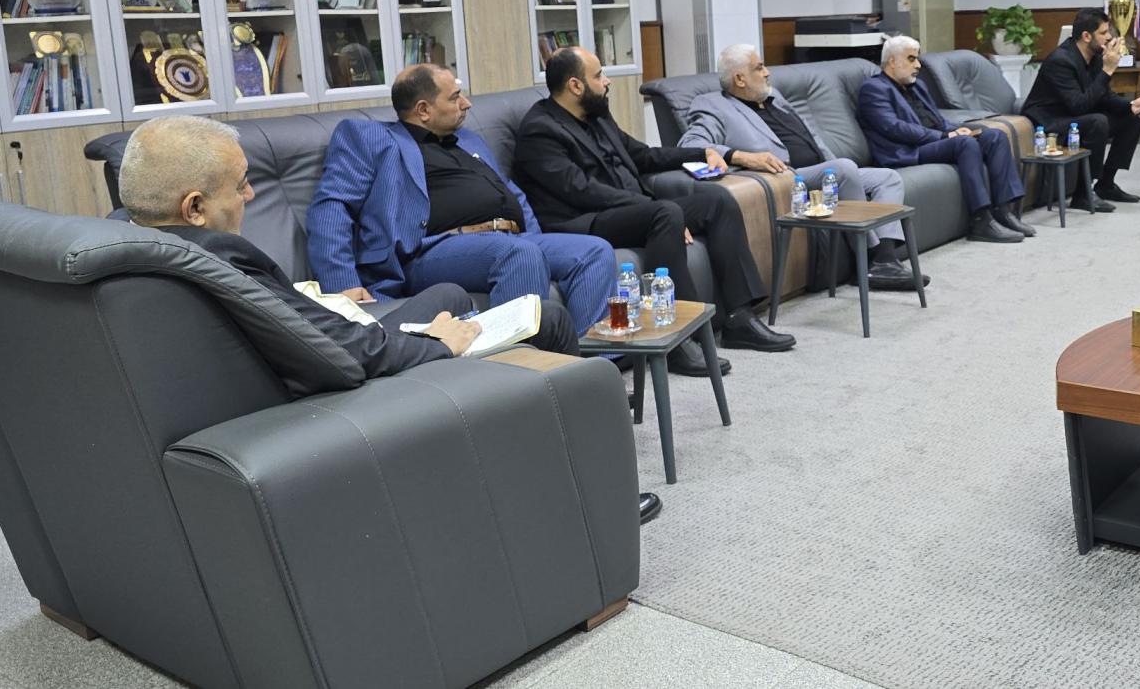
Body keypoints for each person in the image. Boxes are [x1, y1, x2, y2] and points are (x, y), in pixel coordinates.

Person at [123, 115, 663, 526]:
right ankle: (595, 498)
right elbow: (349, 357)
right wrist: (442, 346)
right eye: (241, 184)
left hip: (337, 344)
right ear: (194, 207)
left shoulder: (136, 241)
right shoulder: (225, 257)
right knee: (547, 318)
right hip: (359, 383)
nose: (250, 194)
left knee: (448, 293)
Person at [513, 47, 793, 376]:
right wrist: (649, 206)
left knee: (716, 201)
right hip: (583, 222)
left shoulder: (595, 114)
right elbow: (582, 191)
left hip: (630, 209)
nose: (607, 82)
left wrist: (706, 152)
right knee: (665, 215)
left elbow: (643, 156)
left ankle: (739, 319)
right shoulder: (540, 130)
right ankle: (679, 339)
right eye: (599, 75)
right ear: (575, 85)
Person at [307, 64, 619, 347]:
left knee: (595, 251)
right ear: (423, 110)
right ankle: (522, 377)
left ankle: (591, 366)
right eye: (455, 97)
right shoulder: (370, 137)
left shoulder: (468, 140)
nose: (467, 104)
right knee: (520, 254)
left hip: (509, 239)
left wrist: (535, 240)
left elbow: (510, 191)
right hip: (429, 250)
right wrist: (342, 284)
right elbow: (332, 206)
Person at [680, 43, 928, 291]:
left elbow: (811, 137)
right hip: (789, 178)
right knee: (843, 168)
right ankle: (871, 258)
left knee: (888, 178)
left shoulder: (773, 97)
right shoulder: (713, 105)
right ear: (740, 79)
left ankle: (884, 260)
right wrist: (741, 156)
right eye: (759, 67)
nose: (767, 72)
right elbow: (690, 144)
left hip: (823, 169)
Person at [856, 35, 1033, 243]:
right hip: (907, 151)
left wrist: (958, 129)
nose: (918, 65)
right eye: (911, 59)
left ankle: (1004, 211)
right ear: (892, 61)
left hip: (934, 141)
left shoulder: (917, 86)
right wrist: (944, 135)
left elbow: (938, 121)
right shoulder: (874, 89)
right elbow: (894, 128)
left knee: (994, 136)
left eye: (917, 58)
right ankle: (980, 220)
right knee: (965, 143)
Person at [1019, 9, 1140, 212]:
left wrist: (1130, 106)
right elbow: (1078, 105)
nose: (1109, 37)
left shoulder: (1095, 57)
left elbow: (1103, 96)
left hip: (1072, 116)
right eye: (1103, 32)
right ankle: (1083, 194)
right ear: (1086, 36)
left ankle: (1106, 184)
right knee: (1097, 121)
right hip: (1048, 122)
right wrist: (1108, 70)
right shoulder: (1060, 61)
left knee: (1132, 118)